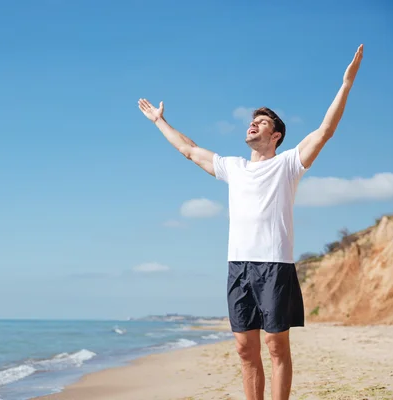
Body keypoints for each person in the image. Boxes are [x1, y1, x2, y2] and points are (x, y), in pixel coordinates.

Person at [137, 44, 364, 400]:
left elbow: (324, 131)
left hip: (275, 265)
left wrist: (346, 84)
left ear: (275, 136)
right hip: (238, 266)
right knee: (245, 349)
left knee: (276, 346)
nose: (253, 123)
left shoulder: (288, 164)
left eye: (262, 122)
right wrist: (159, 121)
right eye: (252, 120)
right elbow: (189, 149)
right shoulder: (234, 167)